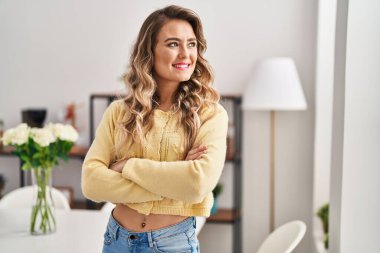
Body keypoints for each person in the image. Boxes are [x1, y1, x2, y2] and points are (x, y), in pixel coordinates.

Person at [81, 5, 228, 253]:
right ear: (150, 51)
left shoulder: (210, 115)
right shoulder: (119, 112)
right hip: (116, 240)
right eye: (173, 44)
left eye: (191, 44)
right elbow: (91, 182)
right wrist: (172, 185)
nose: (185, 54)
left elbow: (197, 184)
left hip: (173, 243)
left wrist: (126, 166)